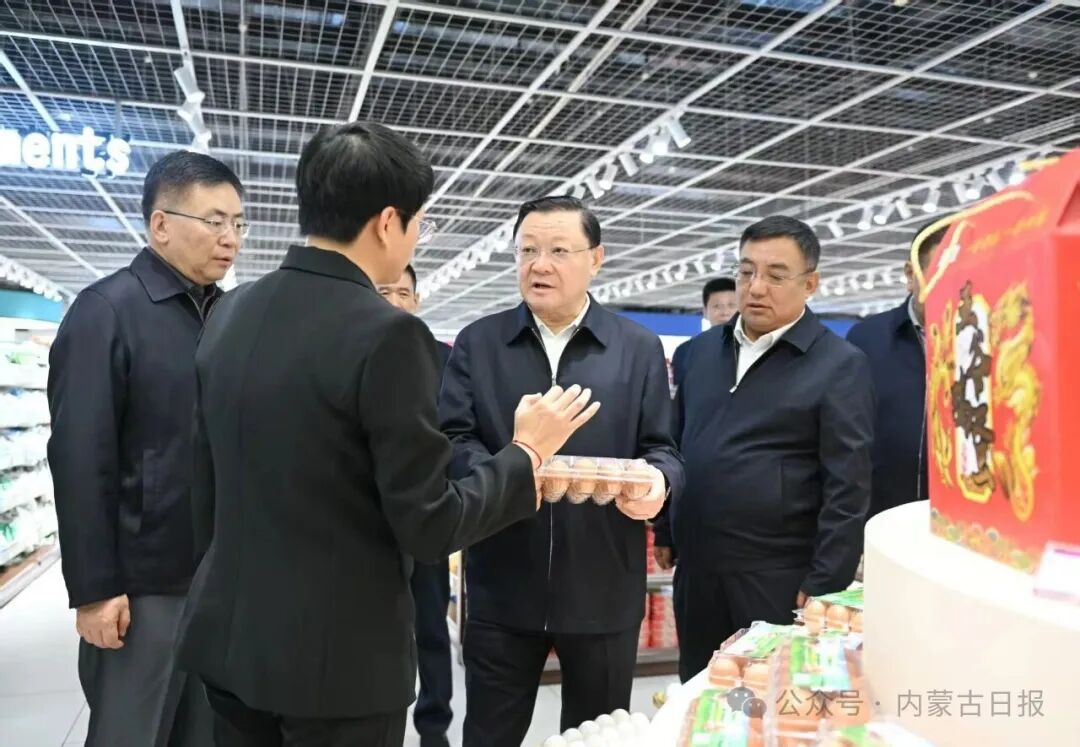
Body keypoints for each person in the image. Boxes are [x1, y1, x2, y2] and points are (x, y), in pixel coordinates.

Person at [174, 122, 600, 747]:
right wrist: (526, 452)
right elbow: (429, 524)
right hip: (337, 665)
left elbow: (204, 482)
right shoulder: (388, 335)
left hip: (229, 641)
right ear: (387, 222)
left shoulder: (230, 310)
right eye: (419, 223)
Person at [439, 195, 684, 746]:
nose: (539, 265)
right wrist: (512, 473)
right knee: (489, 734)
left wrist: (658, 483)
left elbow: (663, 448)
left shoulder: (636, 348)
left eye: (557, 251)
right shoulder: (480, 342)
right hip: (502, 584)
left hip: (603, 588)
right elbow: (453, 440)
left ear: (596, 258)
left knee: (599, 735)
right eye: (527, 251)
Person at [47, 150, 245, 746]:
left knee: (206, 733)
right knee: (132, 732)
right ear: (161, 224)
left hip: (215, 579)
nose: (230, 238)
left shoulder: (226, 316)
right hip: (141, 588)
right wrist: (94, 589)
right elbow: (80, 460)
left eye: (238, 223)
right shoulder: (107, 311)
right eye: (214, 221)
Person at [660, 215, 874, 683]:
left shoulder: (838, 365)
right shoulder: (698, 354)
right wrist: (665, 529)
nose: (756, 287)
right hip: (698, 567)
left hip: (777, 575)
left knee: (768, 695)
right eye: (746, 271)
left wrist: (826, 581)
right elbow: (675, 444)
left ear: (810, 284)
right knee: (700, 688)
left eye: (776, 276)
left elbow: (848, 484)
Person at [377, 263, 454, 747]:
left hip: (427, 512)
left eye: (402, 292)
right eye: (382, 291)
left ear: (417, 300)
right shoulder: (349, 351)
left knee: (431, 626)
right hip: (366, 523)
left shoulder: (443, 358)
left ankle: (434, 728)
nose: (393, 301)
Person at [847, 221, 949, 520]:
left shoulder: (993, 340)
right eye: (939, 272)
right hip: (880, 516)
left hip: (965, 522)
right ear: (910, 275)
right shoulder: (867, 339)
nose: (951, 284)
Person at [670, 277, 738, 390]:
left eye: (732, 305)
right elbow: (680, 393)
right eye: (717, 306)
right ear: (705, 312)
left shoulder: (757, 348)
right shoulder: (686, 351)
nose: (725, 312)